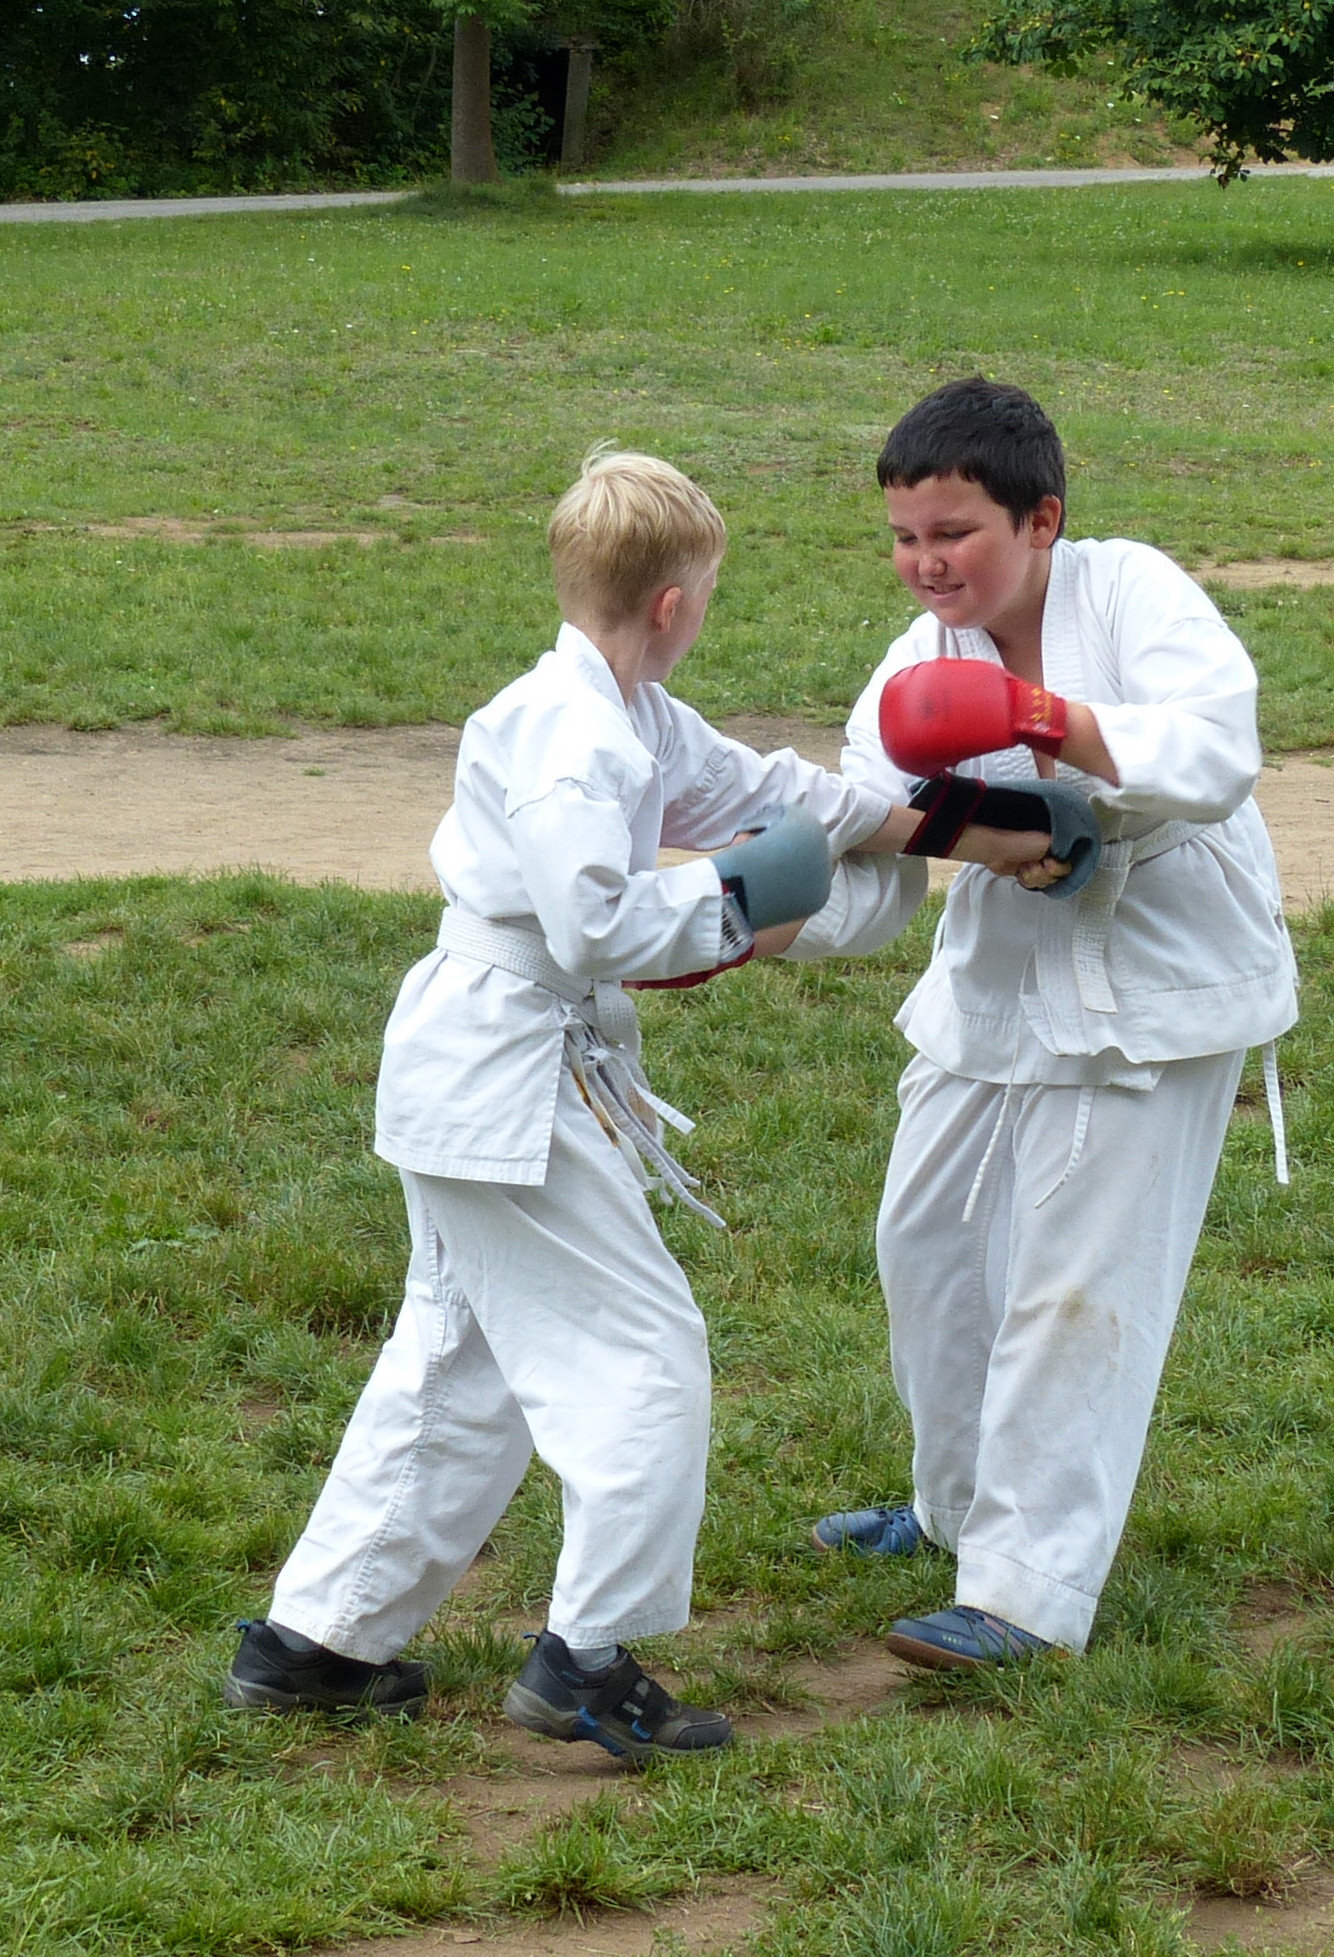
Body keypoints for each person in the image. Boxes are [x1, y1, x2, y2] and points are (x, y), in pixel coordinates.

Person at [223, 448, 1059, 1759]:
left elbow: (775, 794)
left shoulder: (628, 712)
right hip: (505, 1071)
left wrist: (968, 830)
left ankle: (315, 1644)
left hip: (495, 1063)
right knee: (645, 1358)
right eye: (709, 593)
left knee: (462, 1361)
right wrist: (743, 897)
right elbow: (595, 921)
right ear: (674, 603)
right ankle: (587, 1659)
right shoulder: (572, 742)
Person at [795, 377, 1297, 1670]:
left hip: (1153, 975)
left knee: (1076, 1282)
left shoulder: (1131, 593)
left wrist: (1044, 722)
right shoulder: (921, 661)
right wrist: (743, 919)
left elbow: (1217, 748)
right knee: (929, 1242)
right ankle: (954, 1508)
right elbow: (878, 834)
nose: (926, 563)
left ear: (1042, 519)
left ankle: (1026, 1590)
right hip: (1001, 975)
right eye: (905, 537)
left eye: (953, 533)